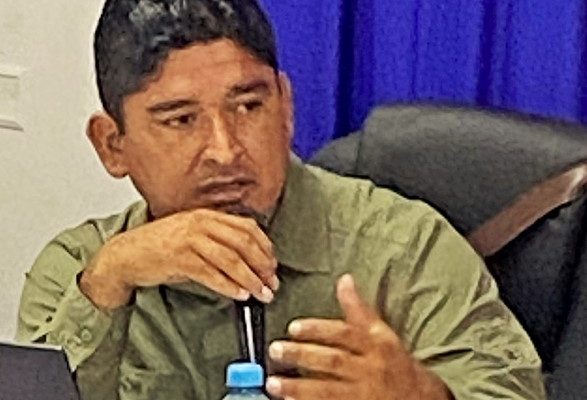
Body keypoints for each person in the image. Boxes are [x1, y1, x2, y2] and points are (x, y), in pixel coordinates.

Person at [16, 1, 545, 399]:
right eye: (181, 120)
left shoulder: (403, 249)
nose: (224, 150)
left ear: (286, 107)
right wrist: (109, 284)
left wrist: (422, 396)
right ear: (112, 145)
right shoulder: (84, 270)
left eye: (248, 106)